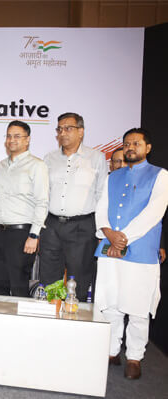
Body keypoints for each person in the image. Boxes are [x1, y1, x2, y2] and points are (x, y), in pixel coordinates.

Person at [94, 128, 168, 380]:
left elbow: (154, 213)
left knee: (137, 307)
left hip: (140, 251)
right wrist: (108, 233)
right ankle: (111, 351)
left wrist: (122, 238)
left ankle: (135, 356)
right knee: (110, 303)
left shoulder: (160, 175)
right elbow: (101, 208)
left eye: (136, 143)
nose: (129, 147)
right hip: (109, 248)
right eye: (126, 144)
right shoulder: (112, 177)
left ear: (147, 148)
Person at [39, 113, 107, 301]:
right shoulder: (49, 158)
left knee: (79, 280)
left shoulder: (96, 158)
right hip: (51, 225)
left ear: (81, 132)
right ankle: (51, 320)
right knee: (49, 279)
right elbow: (43, 195)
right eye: (59, 129)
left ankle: (76, 323)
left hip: (82, 227)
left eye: (68, 128)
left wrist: (102, 230)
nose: (63, 133)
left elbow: (102, 196)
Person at [0, 120, 49, 297]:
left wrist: (34, 235)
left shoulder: (37, 165)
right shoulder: (1, 165)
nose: (11, 140)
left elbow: (42, 202)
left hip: (21, 234)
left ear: (27, 139)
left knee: (19, 286)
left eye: (17, 136)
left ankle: (17, 325)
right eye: (8, 136)